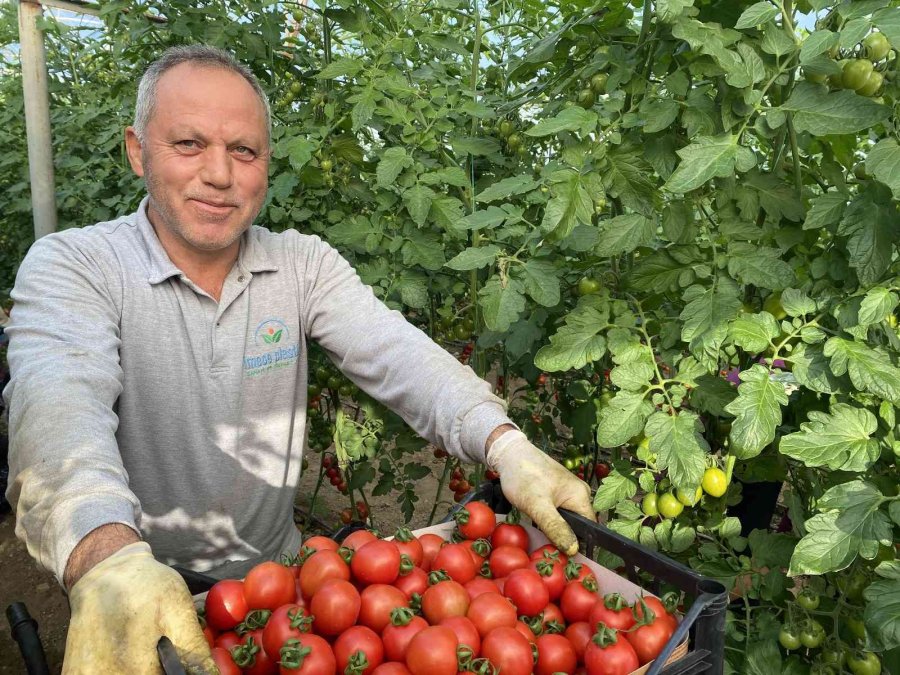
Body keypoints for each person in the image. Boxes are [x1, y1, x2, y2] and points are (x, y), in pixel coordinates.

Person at [3, 45, 594, 673]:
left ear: (265, 165)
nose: (219, 174)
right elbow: (57, 406)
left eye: (243, 151)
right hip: (141, 593)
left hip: (281, 589)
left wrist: (504, 443)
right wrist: (108, 559)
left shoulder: (300, 265)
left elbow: (398, 353)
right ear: (137, 150)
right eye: (188, 144)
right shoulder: (76, 266)